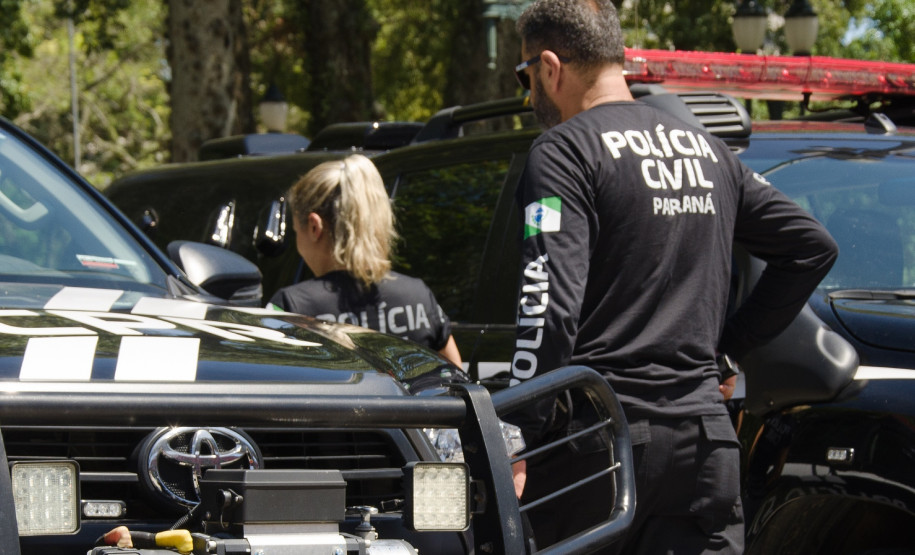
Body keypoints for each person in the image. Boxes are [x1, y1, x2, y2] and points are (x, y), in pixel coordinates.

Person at [507, 1, 838, 553]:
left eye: (525, 76)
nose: (528, 93)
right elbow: (810, 247)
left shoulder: (562, 151)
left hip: (600, 448)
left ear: (549, 66)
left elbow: (549, 305)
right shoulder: (707, 149)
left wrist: (518, 430)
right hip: (703, 445)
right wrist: (725, 349)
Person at [268, 154, 462, 367]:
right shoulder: (418, 296)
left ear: (315, 227)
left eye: (297, 231)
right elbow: (456, 381)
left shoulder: (290, 307)